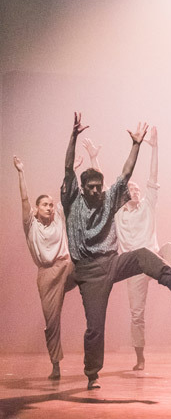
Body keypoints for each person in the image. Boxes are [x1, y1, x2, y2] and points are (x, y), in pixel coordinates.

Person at [61, 112, 171, 389]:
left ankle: (169, 278)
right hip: (88, 271)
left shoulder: (111, 200)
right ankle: (92, 374)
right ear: (81, 189)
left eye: (99, 187)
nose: (97, 191)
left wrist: (137, 145)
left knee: (143, 253)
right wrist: (73, 137)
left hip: (112, 262)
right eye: (91, 188)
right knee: (95, 327)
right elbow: (68, 169)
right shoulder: (72, 202)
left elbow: (126, 173)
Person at [84, 129, 171, 372]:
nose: (136, 191)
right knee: (137, 315)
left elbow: (153, 176)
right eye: (132, 189)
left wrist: (154, 147)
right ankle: (140, 356)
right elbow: (103, 188)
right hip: (134, 268)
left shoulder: (148, 206)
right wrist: (94, 158)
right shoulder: (116, 212)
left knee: (169, 247)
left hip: (155, 258)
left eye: (139, 190)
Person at [13, 155, 78, 380]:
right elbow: (23, 199)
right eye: (45, 205)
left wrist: (71, 173)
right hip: (47, 276)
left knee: (90, 266)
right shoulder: (30, 225)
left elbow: (66, 193)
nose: (50, 207)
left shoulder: (59, 215)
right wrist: (21, 172)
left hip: (67, 267)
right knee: (52, 323)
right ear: (36, 209)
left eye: (51, 204)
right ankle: (56, 365)